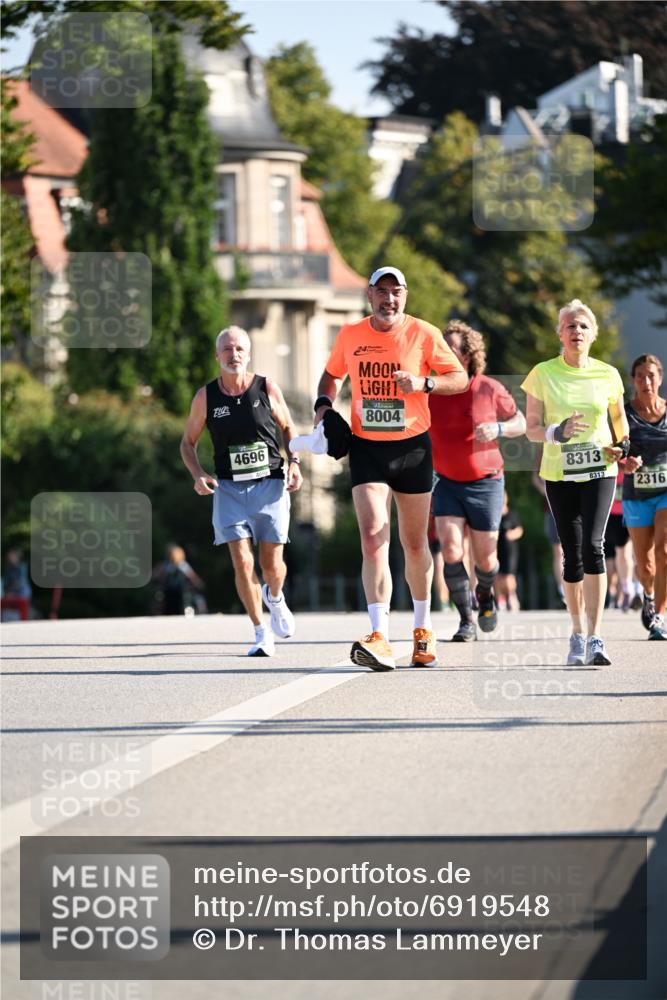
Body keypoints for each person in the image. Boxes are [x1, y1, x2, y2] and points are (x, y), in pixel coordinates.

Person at [313, 266, 467, 670]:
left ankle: (423, 628)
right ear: (369, 295)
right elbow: (330, 376)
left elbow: (460, 378)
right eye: (381, 291)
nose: (389, 299)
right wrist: (324, 408)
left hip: (413, 448)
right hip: (367, 447)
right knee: (372, 537)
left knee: (414, 544)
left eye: (395, 292)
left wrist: (424, 383)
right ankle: (379, 635)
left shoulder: (424, 333)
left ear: (405, 295)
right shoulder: (351, 335)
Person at [180, 326, 302, 656]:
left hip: (270, 484)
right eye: (227, 349)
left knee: (271, 565)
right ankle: (261, 632)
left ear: (248, 354)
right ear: (217, 355)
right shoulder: (206, 397)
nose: (233, 355)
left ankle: (275, 597)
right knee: (243, 562)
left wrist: (294, 463)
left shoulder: (266, 387)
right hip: (229, 489)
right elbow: (187, 443)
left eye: (239, 349)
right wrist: (198, 474)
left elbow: (288, 427)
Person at [522, 298, 629, 666]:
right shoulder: (542, 373)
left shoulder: (608, 374)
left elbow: (619, 422)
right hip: (560, 473)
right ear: (560, 334)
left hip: (600, 470)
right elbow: (531, 429)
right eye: (570, 325)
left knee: (594, 547)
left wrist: (622, 445)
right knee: (571, 556)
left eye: (583, 326)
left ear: (593, 334)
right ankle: (577, 632)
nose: (577, 331)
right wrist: (558, 432)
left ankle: (597, 636)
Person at [429, 321, 526, 641]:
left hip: (486, 483)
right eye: (440, 348)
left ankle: (485, 595)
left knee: (486, 558)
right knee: (450, 549)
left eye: (451, 348)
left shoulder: (489, 388)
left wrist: (499, 429)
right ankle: (466, 619)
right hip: (447, 483)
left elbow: (520, 422)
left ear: (468, 356)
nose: (443, 353)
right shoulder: (431, 390)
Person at [622, 353, 667, 640]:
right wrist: (624, 463)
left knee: (664, 551)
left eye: (651, 376)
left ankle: (660, 617)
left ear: (660, 378)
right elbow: (613, 450)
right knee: (645, 564)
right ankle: (648, 593)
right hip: (636, 496)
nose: (646, 381)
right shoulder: (624, 414)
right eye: (640, 376)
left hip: (665, 493)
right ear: (633, 380)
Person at [532, 449, 566, 607]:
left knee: (578, 548)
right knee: (558, 551)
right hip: (552, 509)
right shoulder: (545, 447)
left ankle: (581, 588)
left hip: (575, 504)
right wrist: (548, 492)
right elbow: (535, 477)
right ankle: (563, 591)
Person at [152, 544, 206, 616]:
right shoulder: (168, 565)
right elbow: (193, 578)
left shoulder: (180, 565)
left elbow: (192, 577)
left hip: (178, 592)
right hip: (171, 592)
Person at [496, 491, 524, 611]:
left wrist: (512, 534)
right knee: (497, 576)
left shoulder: (512, 514)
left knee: (509, 576)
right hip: (496, 549)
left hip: (510, 551)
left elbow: (520, 529)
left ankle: (511, 596)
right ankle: (500, 600)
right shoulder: (494, 514)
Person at [1, 548, 32, 621]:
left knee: (23, 595)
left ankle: (23, 618)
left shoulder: (22, 567)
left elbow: (21, 583)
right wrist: (8, 592)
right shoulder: (8, 568)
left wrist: (12, 592)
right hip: (10, 592)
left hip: (21, 591)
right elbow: (5, 583)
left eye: (12, 556)